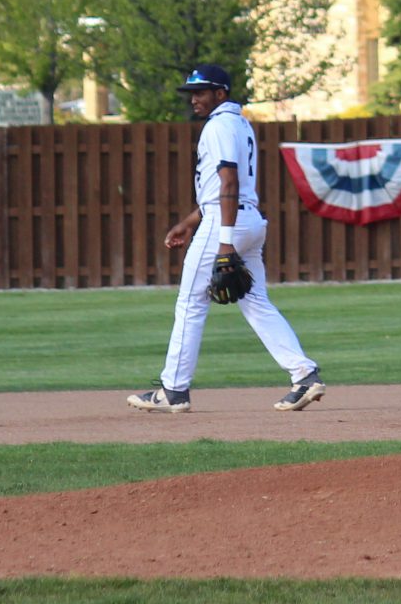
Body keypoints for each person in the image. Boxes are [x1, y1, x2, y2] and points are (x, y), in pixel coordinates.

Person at [127, 64, 326, 414]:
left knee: (191, 303)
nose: (194, 100)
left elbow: (229, 182)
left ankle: (173, 390)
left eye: (201, 92)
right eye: (192, 93)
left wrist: (224, 242)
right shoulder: (239, 123)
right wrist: (190, 221)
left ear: (221, 93)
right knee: (256, 302)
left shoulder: (218, 125)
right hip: (247, 219)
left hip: (227, 222)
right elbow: (223, 188)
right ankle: (305, 375)